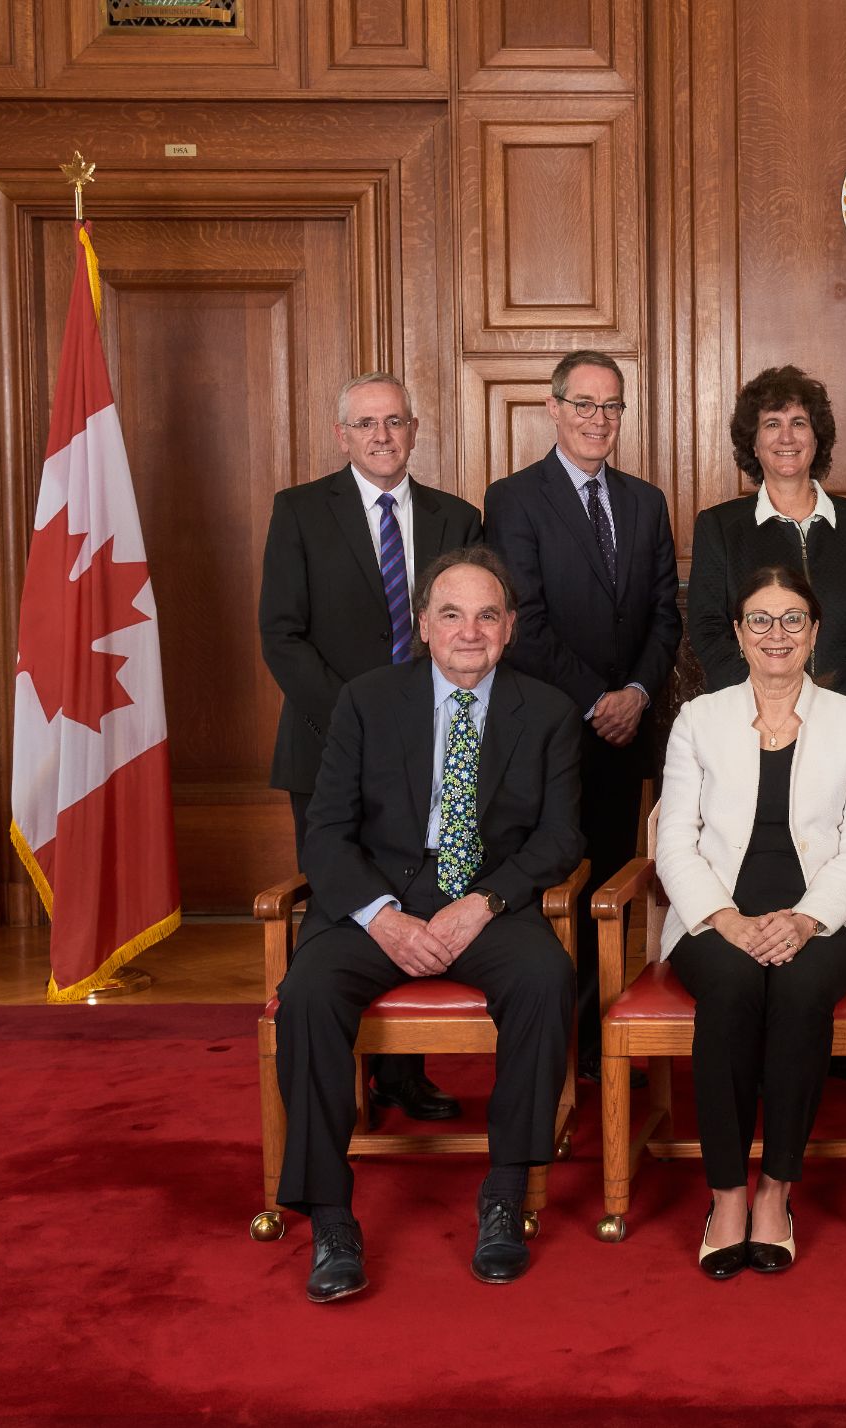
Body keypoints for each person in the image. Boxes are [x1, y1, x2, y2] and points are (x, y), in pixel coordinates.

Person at [273, 546, 583, 1302]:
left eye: (486, 615)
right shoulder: (367, 702)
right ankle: (333, 1217)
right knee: (308, 992)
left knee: (548, 979)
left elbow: (560, 839)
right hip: (377, 905)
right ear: (423, 626)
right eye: (451, 614)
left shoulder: (545, 712)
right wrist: (381, 917)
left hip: (486, 902)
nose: (468, 631)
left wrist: (485, 902)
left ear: (509, 628)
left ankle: (505, 1193)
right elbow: (325, 833)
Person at [259, 371, 482, 1123]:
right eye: (366, 424)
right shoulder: (299, 512)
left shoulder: (457, 517)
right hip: (326, 746)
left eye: (394, 423)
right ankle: (334, 1077)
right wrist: (365, 721)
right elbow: (281, 637)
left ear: (414, 431)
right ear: (341, 435)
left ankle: (401, 1074)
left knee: (419, 890)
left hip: (440, 745)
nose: (381, 437)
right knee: (348, 905)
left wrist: (418, 724)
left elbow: (470, 635)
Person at [654, 566, 846, 1278]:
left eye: (792, 620)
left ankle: (776, 1191)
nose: (776, 634)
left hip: (823, 916)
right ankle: (726, 1193)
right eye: (760, 619)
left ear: (815, 633)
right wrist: (723, 918)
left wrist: (809, 919)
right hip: (713, 915)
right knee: (729, 987)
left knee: (798, 991)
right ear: (738, 634)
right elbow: (673, 842)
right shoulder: (699, 718)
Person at [485, 350, 680, 1085]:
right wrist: (599, 699)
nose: (599, 420)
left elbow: (666, 613)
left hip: (627, 730)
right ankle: (545, 1033)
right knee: (548, 881)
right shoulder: (514, 499)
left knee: (611, 882)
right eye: (585, 405)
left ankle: (600, 1035)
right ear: (555, 409)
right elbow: (524, 621)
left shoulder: (644, 501)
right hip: (552, 727)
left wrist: (635, 691)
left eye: (612, 407)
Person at [687, 366, 846, 724]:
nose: (786, 437)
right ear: (753, 444)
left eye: (799, 423)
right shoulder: (720, 527)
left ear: (817, 439)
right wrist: (768, 707)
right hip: (752, 725)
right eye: (772, 424)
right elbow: (709, 628)